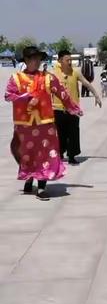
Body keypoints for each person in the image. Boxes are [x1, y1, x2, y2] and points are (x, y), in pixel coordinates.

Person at [4, 46, 83, 200]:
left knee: (46, 154)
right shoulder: (16, 78)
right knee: (26, 154)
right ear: (26, 61)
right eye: (33, 59)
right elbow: (8, 96)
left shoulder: (48, 78)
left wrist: (73, 108)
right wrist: (25, 97)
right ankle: (28, 178)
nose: (36, 62)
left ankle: (41, 187)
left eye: (38, 59)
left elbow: (62, 93)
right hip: (24, 125)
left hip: (45, 125)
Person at [54, 50, 102, 165]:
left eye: (70, 60)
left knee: (73, 133)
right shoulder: (54, 75)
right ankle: (59, 154)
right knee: (60, 133)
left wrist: (96, 95)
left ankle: (71, 156)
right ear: (60, 61)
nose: (70, 62)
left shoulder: (75, 73)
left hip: (73, 109)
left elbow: (86, 83)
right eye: (67, 60)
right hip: (58, 109)